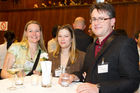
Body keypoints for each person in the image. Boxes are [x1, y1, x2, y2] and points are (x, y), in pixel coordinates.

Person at [59, 3, 140, 93]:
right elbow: (86, 72)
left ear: (112, 21)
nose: (96, 23)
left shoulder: (124, 44)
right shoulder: (91, 47)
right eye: (94, 19)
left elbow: (133, 82)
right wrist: (73, 76)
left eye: (101, 19)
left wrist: (99, 88)